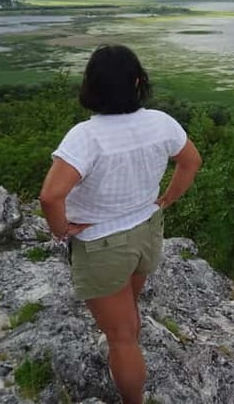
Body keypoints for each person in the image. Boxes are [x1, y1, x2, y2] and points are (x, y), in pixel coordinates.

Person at [39, 44, 202, 404]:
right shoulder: (161, 122)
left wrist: (60, 230)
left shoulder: (86, 136)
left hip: (101, 243)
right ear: (139, 82)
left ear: (91, 86)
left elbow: (51, 196)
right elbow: (191, 162)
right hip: (146, 230)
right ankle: (126, 347)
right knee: (128, 315)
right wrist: (166, 200)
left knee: (121, 337)